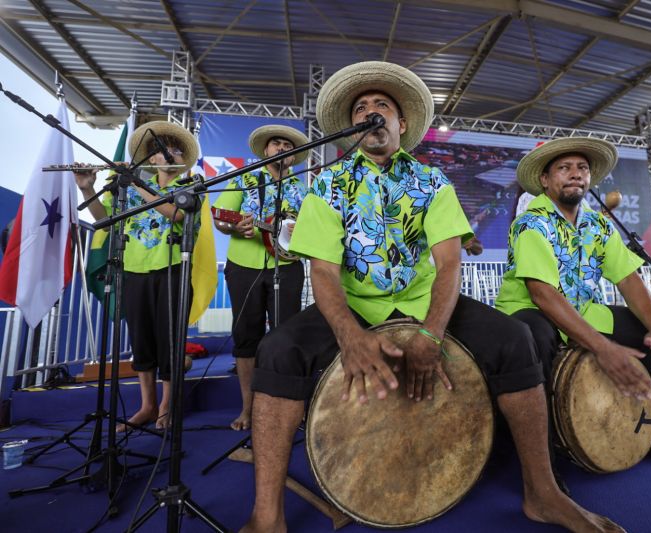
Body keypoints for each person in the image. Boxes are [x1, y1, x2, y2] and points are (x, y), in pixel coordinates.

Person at [241, 61, 623, 533]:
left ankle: (542, 493)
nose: (370, 111)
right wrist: (349, 335)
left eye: (382, 105)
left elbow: (448, 264)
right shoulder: (326, 184)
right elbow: (322, 269)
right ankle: (267, 515)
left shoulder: (432, 181)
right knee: (277, 350)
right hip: (356, 303)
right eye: (361, 108)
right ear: (352, 129)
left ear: (401, 124)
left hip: (423, 300)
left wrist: (432, 332)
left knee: (515, 339)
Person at [495, 137, 651, 464]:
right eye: (564, 168)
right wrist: (603, 347)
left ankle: (646, 432)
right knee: (534, 337)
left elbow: (628, 279)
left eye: (582, 168)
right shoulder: (530, 223)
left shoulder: (598, 225)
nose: (576, 174)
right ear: (545, 180)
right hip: (530, 310)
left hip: (582, 309)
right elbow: (542, 294)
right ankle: (544, 449)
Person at [75, 120, 200, 431]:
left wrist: (136, 183)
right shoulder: (128, 189)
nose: (168, 154)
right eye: (161, 150)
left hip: (172, 271)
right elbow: (104, 220)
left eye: (174, 150)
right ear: (151, 158)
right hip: (133, 271)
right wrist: (87, 187)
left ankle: (167, 404)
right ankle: (147, 405)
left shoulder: (191, 185)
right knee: (141, 340)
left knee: (169, 340)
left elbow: (176, 213)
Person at [212, 125, 309, 431]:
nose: (281, 148)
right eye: (276, 143)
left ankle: (286, 407)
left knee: (287, 338)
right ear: (266, 150)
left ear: (294, 155)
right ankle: (249, 408)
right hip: (244, 266)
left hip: (288, 267)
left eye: (287, 145)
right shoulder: (244, 179)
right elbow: (220, 218)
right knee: (246, 338)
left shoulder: (304, 190)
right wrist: (234, 227)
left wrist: (299, 232)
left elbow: (313, 230)